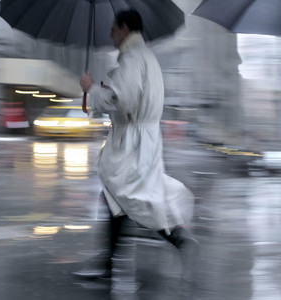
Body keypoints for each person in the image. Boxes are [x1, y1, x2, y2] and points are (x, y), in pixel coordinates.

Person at [77, 9, 197, 282]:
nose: (110, 34)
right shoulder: (146, 58)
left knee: (127, 198)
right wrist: (105, 89)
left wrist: (93, 89)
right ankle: (113, 261)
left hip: (132, 141)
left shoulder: (132, 58)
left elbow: (124, 101)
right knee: (128, 198)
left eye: (113, 29)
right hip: (144, 138)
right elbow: (130, 97)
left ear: (125, 28)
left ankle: (175, 239)